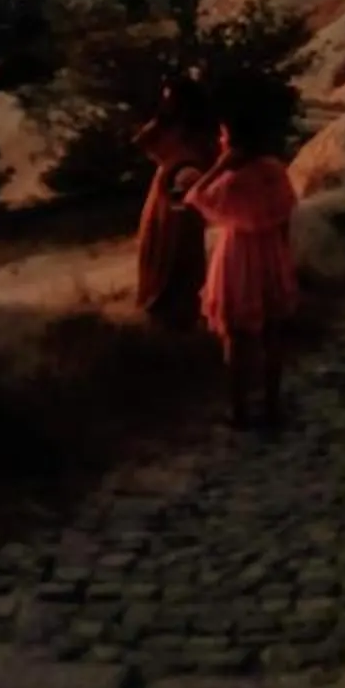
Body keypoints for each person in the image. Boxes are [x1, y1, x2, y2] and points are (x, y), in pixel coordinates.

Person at [186, 108, 302, 429]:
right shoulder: (274, 170)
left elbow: (195, 197)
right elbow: (286, 213)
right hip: (271, 252)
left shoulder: (231, 182)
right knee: (272, 334)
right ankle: (272, 405)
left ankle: (239, 410)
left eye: (223, 136)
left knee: (236, 337)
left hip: (238, 255)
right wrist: (284, 254)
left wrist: (218, 166)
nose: (220, 141)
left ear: (233, 141)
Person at [129, 78, 214, 333]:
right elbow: (142, 141)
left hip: (183, 191)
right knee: (157, 251)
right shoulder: (168, 126)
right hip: (164, 194)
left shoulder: (198, 131)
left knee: (180, 258)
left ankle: (179, 323)